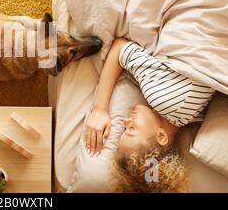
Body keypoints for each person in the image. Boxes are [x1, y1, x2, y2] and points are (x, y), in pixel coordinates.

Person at [85, 38, 215, 191]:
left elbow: (150, 173)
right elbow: (120, 48)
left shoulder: (196, 116)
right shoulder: (161, 98)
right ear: (161, 136)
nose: (126, 121)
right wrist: (100, 108)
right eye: (131, 129)